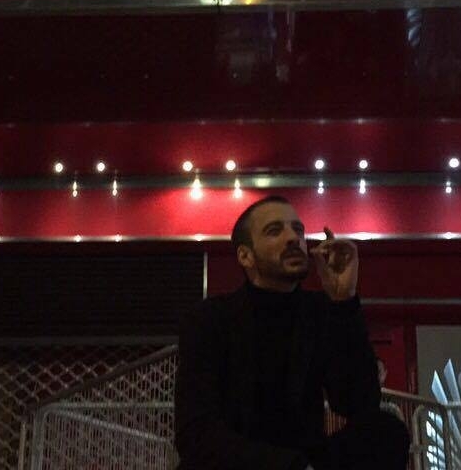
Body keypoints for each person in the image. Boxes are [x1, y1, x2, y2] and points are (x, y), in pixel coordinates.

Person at [174, 196, 409, 470]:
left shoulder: (319, 311)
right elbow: (196, 433)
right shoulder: (210, 318)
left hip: (306, 458)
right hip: (238, 461)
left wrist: (343, 302)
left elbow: (359, 404)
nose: (293, 238)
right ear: (245, 256)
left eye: (298, 230)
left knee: (387, 431)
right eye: (275, 231)